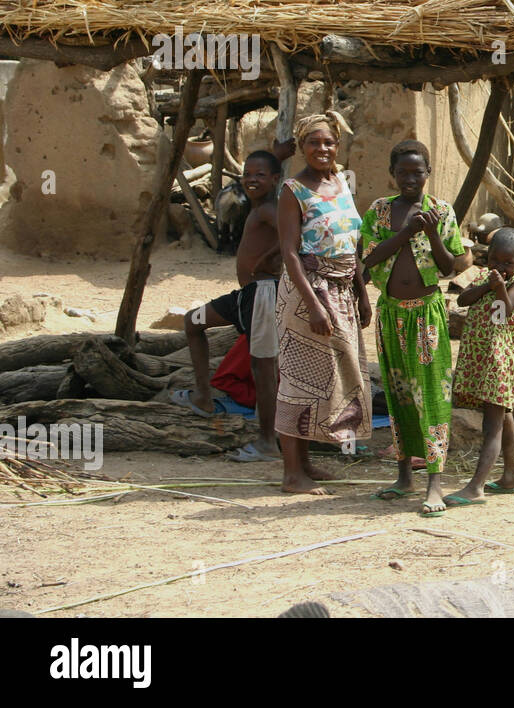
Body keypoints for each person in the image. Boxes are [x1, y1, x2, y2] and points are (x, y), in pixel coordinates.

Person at [360, 140, 473, 515]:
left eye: (417, 172)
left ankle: (435, 485)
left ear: (428, 174)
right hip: (391, 313)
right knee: (399, 395)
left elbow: (449, 268)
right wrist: (406, 233)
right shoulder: (378, 212)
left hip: (427, 315)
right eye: (403, 172)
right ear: (392, 175)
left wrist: (433, 233)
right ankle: (404, 475)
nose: (410, 179)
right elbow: (370, 259)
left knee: (433, 396)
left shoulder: (441, 211)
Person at [274, 112, 371, 495]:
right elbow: (289, 252)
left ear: (338, 145)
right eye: (314, 142)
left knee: (330, 380)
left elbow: (354, 244)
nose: (322, 149)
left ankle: (306, 464)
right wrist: (313, 305)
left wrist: (362, 293)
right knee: (300, 380)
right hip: (307, 292)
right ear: (301, 147)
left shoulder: (343, 182)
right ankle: (291, 474)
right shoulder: (293, 190)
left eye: (328, 142)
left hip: (343, 290)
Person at [173, 149, 289, 463]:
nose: (251, 179)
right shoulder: (254, 207)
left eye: (260, 175)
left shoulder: (268, 209)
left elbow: (293, 234)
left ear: (275, 179)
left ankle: (267, 442)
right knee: (192, 321)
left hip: (264, 293)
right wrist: (281, 151)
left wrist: (270, 257)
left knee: (263, 369)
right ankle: (203, 397)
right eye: (247, 174)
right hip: (245, 296)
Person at [444, 228, 514, 511]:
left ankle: (476, 486)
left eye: (508, 263)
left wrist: (499, 288)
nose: (500, 268)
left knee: (492, 425)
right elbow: (462, 300)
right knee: (504, 418)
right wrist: (487, 284)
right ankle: (510, 477)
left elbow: (504, 312)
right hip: (480, 359)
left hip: (498, 361)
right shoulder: (483, 277)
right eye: (495, 260)